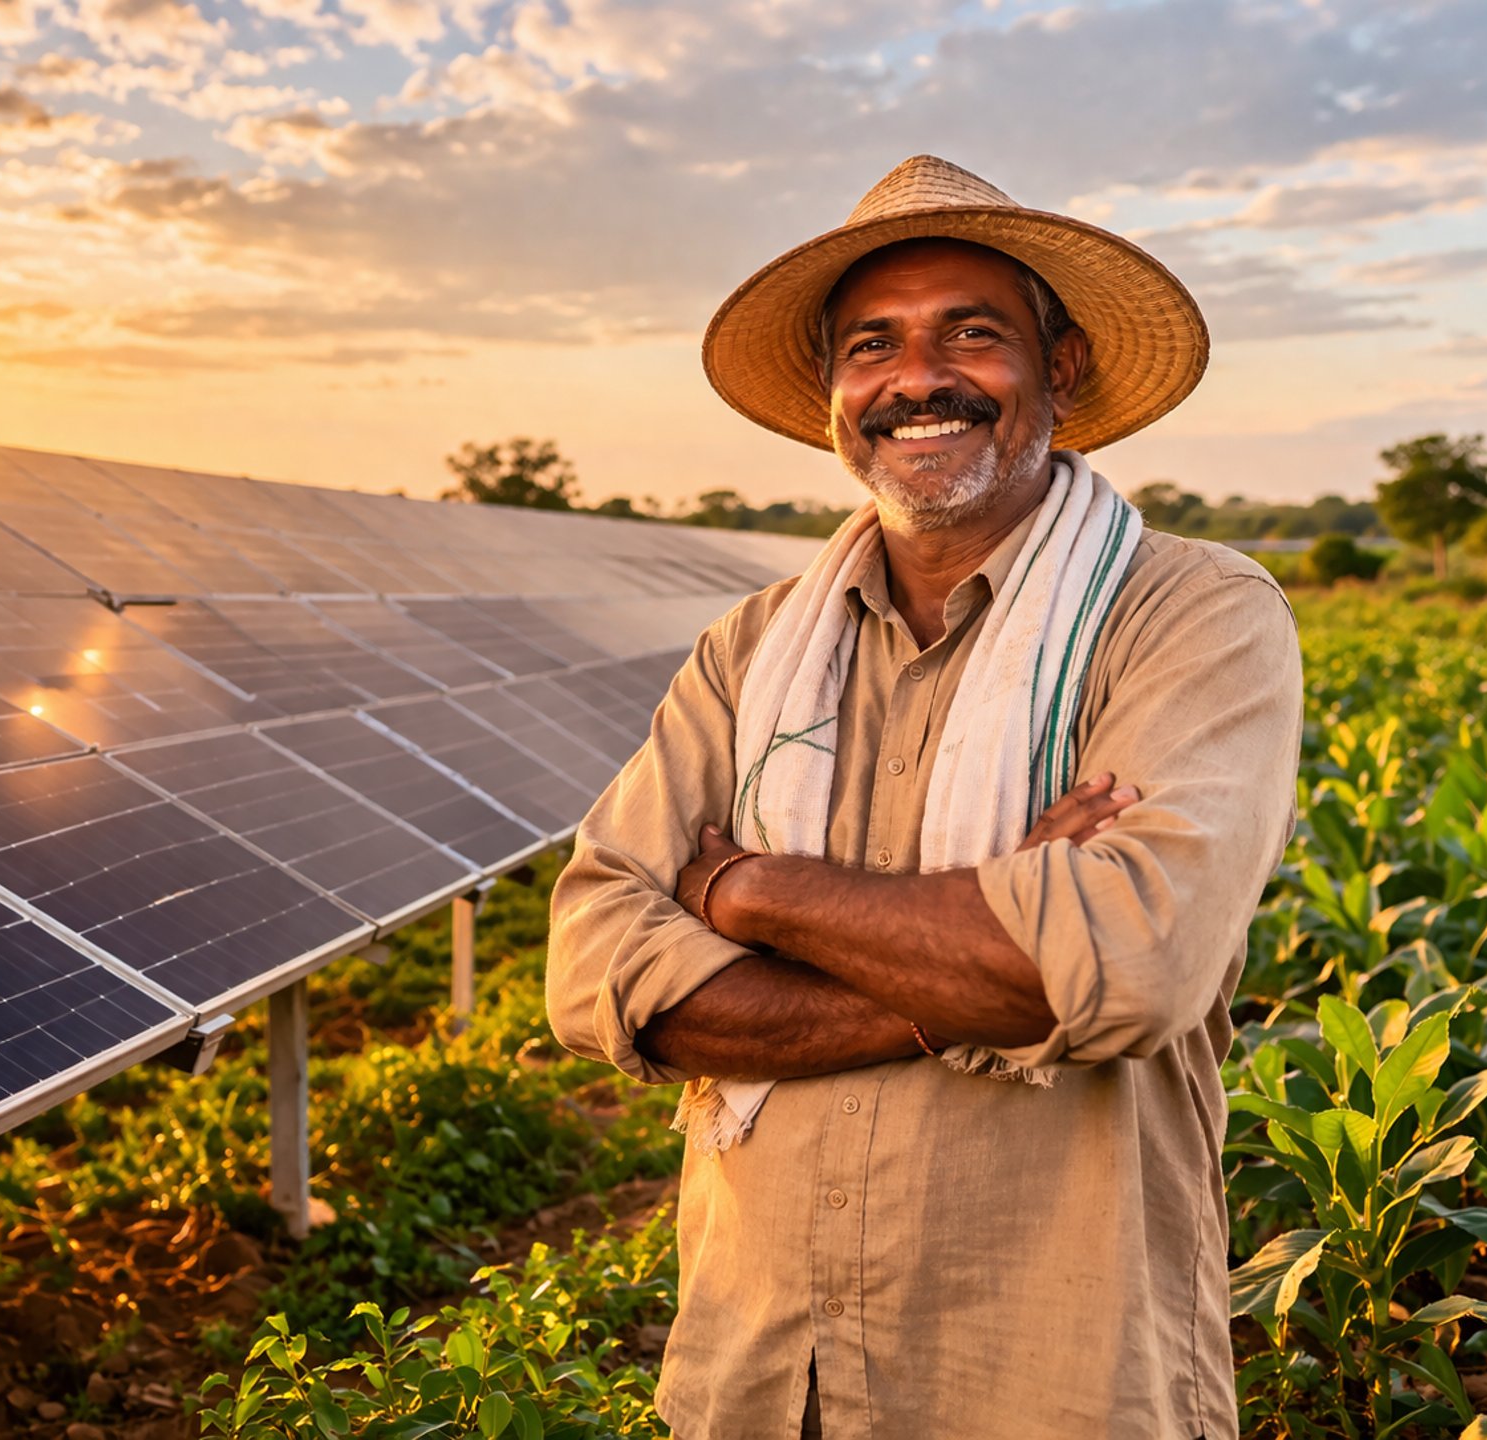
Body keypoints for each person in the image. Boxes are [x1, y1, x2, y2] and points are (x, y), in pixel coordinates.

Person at [544, 155, 1303, 1440]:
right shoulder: (754, 648)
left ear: (1058, 368)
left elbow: (1124, 964)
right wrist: (990, 947)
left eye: (971, 332)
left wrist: (750, 890)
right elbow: (596, 965)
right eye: (872, 345)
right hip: (764, 1367)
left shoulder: (1193, 618)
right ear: (838, 396)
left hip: (1052, 1374)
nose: (918, 379)